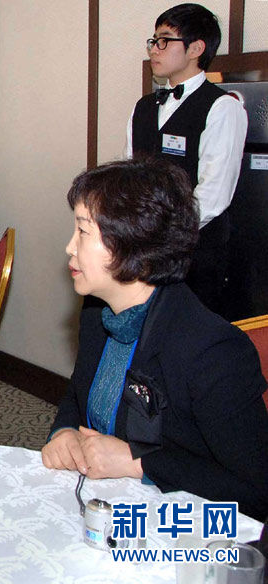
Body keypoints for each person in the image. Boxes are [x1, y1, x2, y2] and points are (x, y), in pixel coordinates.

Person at [41, 158, 268, 520]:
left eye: (83, 232)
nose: (70, 247)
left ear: (135, 247)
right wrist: (64, 431)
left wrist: (139, 462)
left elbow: (255, 490)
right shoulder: (97, 312)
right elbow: (79, 391)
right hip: (101, 505)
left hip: (180, 524)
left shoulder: (212, 352)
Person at [125, 4, 246, 318]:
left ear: (196, 48)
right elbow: (131, 176)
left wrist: (165, 234)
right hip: (146, 251)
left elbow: (214, 193)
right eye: (153, 41)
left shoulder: (222, 107)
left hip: (197, 256)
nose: (154, 49)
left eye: (165, 40)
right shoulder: (143, 107)